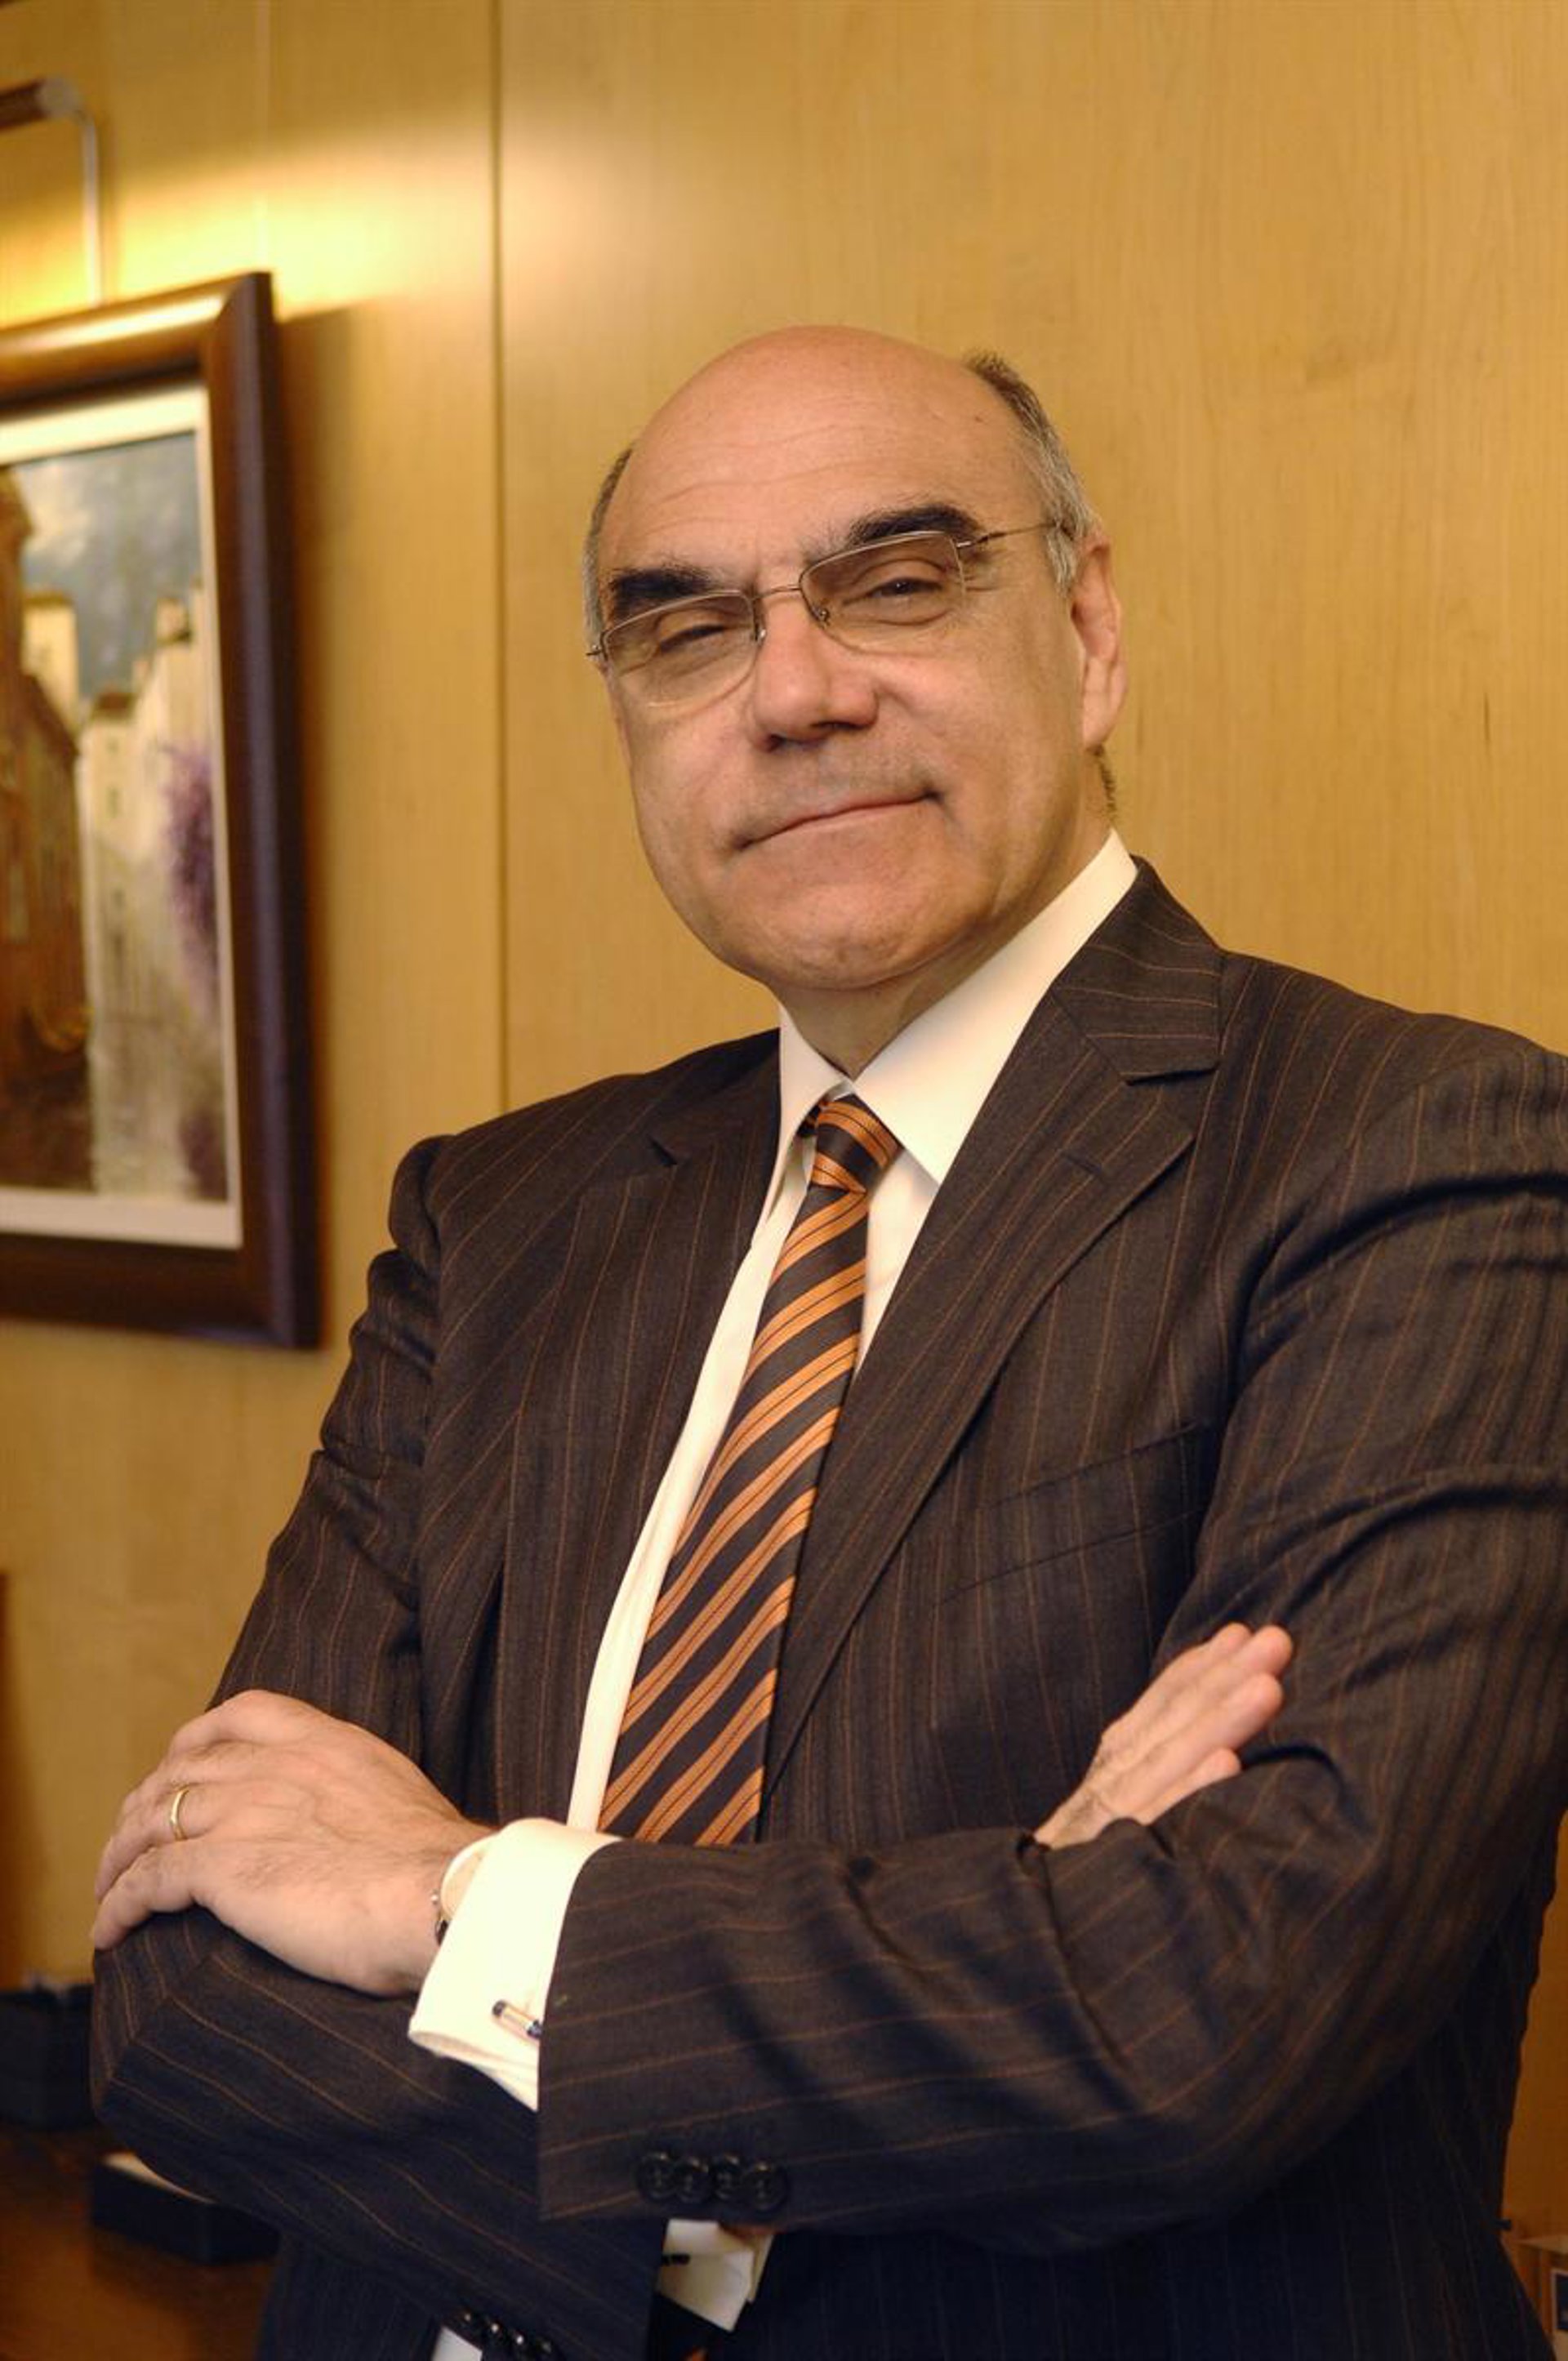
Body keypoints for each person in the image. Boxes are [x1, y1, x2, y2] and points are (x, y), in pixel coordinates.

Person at [91, 328, 1566, 2361]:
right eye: (687, 630)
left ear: (1090, 630)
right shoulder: (497, 1218)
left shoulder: (1425, 1159)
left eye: (899, 581)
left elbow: (1206, 2012)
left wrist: (463, 1899)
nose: (794, 692)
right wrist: (981, 1969)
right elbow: (185, 1993)